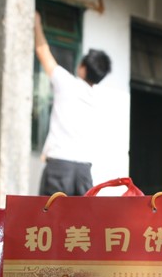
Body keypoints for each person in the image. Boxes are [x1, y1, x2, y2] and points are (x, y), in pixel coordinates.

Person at [34, 11, 111, 196]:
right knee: (81, 215)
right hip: (84, 171)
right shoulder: (99, 100)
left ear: (82, 68)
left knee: (51, 213)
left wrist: (36, 24)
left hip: (60, 167)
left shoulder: (67, 83)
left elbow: (43, 52)